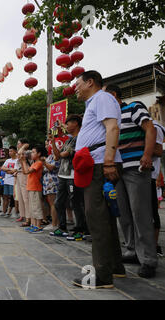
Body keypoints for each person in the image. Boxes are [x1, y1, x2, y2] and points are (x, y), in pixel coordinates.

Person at [71, 71, 125, 289]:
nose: (75, 88)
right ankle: (114, 267)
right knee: (104, 217)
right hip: (95, 162)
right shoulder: (93, 103)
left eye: (78, 84)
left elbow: (112, 127)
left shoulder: (102, 98)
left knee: (97, 217)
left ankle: (102, 275)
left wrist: (109, 161)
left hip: (101, 163)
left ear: (90, 82)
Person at [105, 84, 158, 278]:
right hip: (117, 171)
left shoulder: (134, 107)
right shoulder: (111, 120)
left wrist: (147, 154)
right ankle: (132, 250)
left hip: (136, 168)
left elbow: (150, 130)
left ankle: (149, 260)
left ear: (114, 95)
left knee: (140, 214)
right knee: (124, 215)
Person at [50, 115, 88, 240]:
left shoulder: (80, 139)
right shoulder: (67, 141)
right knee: (59, 202)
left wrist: (58, 152)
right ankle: (62, 227)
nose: (66, 126)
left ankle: (81, 230)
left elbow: (64, 154)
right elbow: (57, 157)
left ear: (75, 123)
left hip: (73, 174)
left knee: (76, 202)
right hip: (62, 174)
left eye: (68, 124)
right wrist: (53, 143)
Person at [20, 145, 48, 233]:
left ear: (39, 154)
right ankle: (33, 224)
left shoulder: (39, 163)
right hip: (31, 187)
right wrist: (22, 162)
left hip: (36, 187)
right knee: (32, 208)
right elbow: (25, 172)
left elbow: (27, 171)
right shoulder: (34, 163)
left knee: (37, 207)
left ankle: (38, 226)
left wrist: (24, 161)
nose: (32, 154)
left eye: (33, 152)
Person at [42, 140, 61, 231]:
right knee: (51, 203)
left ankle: (54, 224)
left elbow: (51, 167)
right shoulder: (50, 156)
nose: (47, 147)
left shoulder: (56, 156)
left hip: (53, 182)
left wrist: (44, 163)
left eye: (48, 145)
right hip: (48, 182)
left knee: (53, 203)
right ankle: (54, 222)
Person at [152, 121, 164, 257]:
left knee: (152, 212)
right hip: (141, 176)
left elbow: (158, 152)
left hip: (151, 177)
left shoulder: (155, 127)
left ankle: (154, 245)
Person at [0, 146, 18, 218]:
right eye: (9, 151)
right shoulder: (7, 160)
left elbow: (15, 170)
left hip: (13, 181)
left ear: (15, 152)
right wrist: (9, 169)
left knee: (13, 197)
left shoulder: (17, 160)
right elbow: (2, 168)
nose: (10, 153)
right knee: (5, 196)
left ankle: (14, 211)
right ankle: (4, 211)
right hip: (6, 181)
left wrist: (8, 170)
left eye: (11, 151)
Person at [16, 140, 31, 226]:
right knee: (20, 197)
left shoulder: (28, 152)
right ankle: (24, 215)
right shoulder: (20, 152)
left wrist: (24, 146)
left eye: (19, 143)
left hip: (25, 174)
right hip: (18, 174)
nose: (17, 145)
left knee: (26, 197)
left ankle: (28, 218)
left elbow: (20, 154)